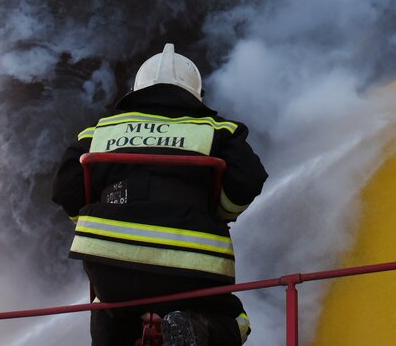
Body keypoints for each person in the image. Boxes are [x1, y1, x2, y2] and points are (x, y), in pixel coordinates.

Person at [52, 43, 268, 346]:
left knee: (108, 307)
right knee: (233, 319)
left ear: (136, 91)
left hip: (111, 267)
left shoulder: (99, 131)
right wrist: (218, 213)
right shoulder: (215, 129)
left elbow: (66, 187)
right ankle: (194, 327)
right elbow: (248, 179)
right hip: (191, 267)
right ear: (196, 95)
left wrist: (97, 220)